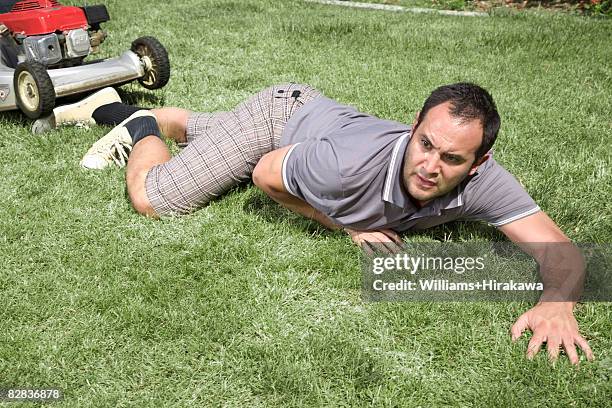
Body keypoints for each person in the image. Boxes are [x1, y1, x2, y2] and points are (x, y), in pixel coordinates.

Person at [37, 82, 594, 365]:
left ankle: (167, 116)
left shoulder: (486, 182)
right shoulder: (345, 167)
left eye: (452, 159)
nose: (431, 165)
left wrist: (557, 302)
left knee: (213, 141)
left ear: (479, 163)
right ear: (414, 126)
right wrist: (340, 226)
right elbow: (266, 174)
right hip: (279, 123)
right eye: (426, 144)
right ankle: (139, 125)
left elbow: (561, 250)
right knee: (160, 199)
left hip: (319, 127)